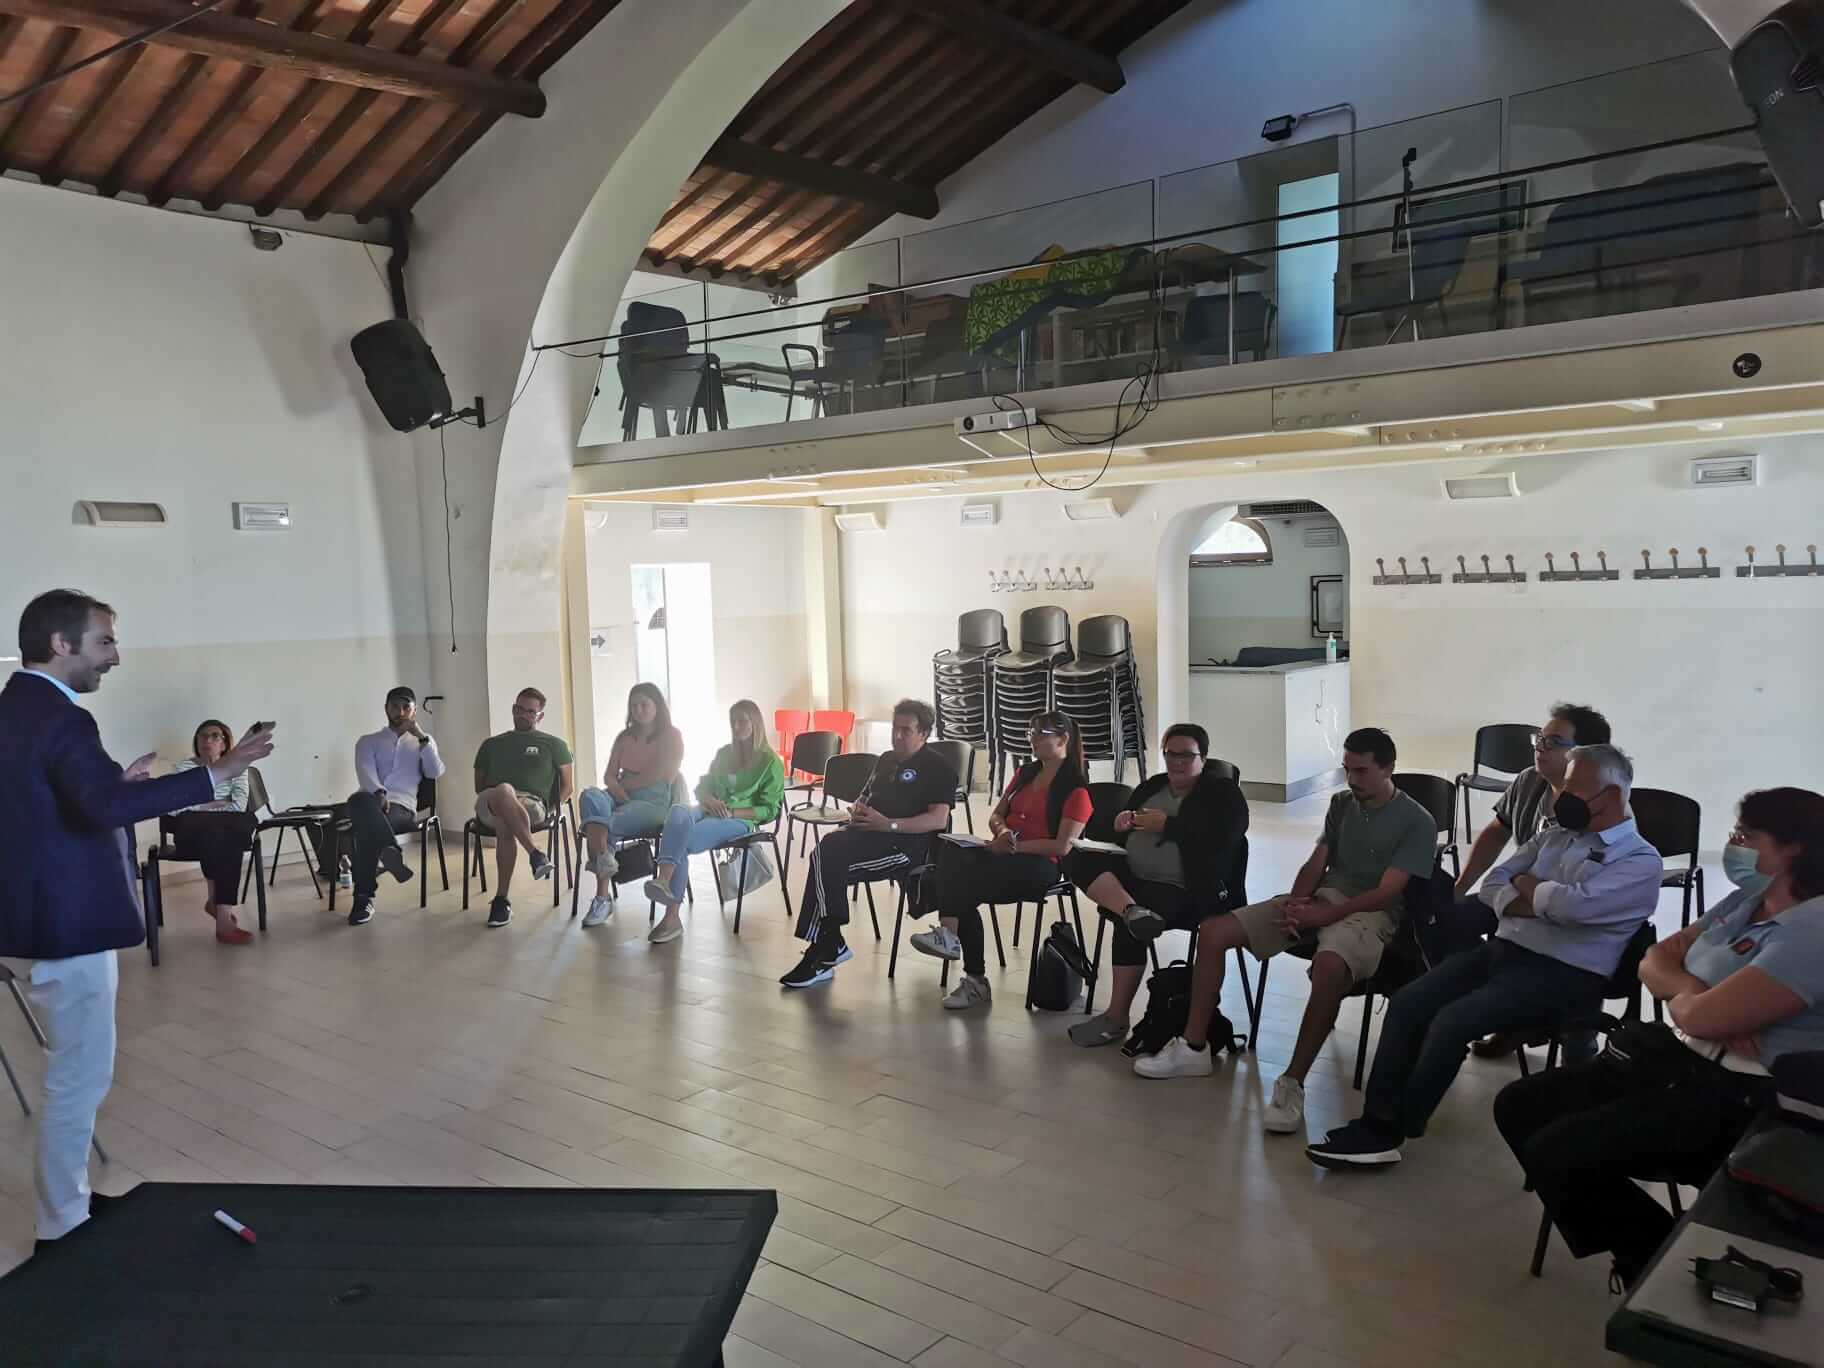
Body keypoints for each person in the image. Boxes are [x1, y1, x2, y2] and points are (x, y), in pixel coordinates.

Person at [0, 589, 273, 1247]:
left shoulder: (16, 707)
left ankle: (68, 1200)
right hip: (66, 922)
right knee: (78, 1078)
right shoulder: (61, 718)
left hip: (38, 913)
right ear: (61, 645)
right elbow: (96, 808)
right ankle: (61, 1223)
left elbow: (58, 802)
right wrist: (218, 773)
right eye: (104, 642)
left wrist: (115, 788)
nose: (115, 657)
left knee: (74, 1071)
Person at [1495, 787, 1824, 1289]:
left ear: (1795, 847)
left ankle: (1649, 1268)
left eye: (1745, 835)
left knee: (1558, 1150)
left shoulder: (1812, 932)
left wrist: (1698, 1000)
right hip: (1676, 1060)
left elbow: (1697, 1015)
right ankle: (1652, 1250)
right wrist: (1696, 990)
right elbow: (1654, 963)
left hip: (1741, 1100)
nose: (1732, 844)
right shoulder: (1747, 900)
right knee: (1518, 1106)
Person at [1308, 744, 1662, 1170]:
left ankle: (1392, 1130)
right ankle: (1376, 1120)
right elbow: (1495, 886)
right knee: (1408, 1004)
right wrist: (1543, 897)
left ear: (1611, 795)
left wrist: (1532, 889)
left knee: (1452, 1021)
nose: (1562, 795)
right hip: (1505, 951)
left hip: (1566, 975)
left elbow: (1576, 910)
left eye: (1574, 787)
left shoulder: (1641, 860)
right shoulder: (1554, 836)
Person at [1194, 728, 1437, 1133]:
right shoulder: (1342, 803)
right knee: (1214, 932)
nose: (1353, 780)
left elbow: (1385, 893)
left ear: (1388, 768)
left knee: (1329, 967)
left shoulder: (1417, 821)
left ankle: (1292, 1082)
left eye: (1361, 771)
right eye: (1347, 770)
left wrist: (1320, 919)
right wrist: (1296, 904)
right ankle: (1193, 1045)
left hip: (1372, 913)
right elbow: (1317, 860)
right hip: (1323, 899)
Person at [1064, 723, 1249, 1060]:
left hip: (1190, 889)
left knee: (1134, 918)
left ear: (1203, 758)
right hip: (1135, 877)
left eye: (1186, 755)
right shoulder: (1153, 786)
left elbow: (1224, 837)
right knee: (1076, 856)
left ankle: (1116, 1016)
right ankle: (1130, 909)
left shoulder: (1223, 794)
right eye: (1170, 754)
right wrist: (1119, 822)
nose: (1177, 762)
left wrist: (1169, 825)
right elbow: (1119, 831)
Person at [1453, 703, 1611, 1059]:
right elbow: (1496, 833)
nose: (1541, 746)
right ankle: (1502, 1013)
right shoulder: (1529, 782)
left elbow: (1586, 895)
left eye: (1554, 742)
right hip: (1520, 897)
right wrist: (1461, 886)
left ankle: (1576, 1039)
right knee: (1451, 916)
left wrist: (1528, 891)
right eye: (1540, 738)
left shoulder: (1601, 800)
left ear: (1584, 755)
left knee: (1572, 958)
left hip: (1569, 910)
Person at [909, 711, 1093, 1011]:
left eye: (1040, 734)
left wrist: (1016, 846)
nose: (1032, 739)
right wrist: (1004, 832)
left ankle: (970, 971)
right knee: (952, 851)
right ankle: (953, 942)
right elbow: (997, 815)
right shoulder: (1025, 775)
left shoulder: (1077, 790)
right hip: (1006, 850)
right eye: (1030, 733)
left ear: (1062, 740)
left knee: (963, 885)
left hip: (1041, 865)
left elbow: (1062, 846)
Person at [781, 699, 955, 990]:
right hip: (868, 835)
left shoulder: (938, 768)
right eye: (894, 729)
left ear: (924, 733)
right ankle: (828, 943)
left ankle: (826, 946)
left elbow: (938, 819)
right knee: (827, 852)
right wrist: (859, 810)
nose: (897, 736)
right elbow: (865, 798)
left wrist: (889, 824)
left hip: (905, 847)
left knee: (825, 857)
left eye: (906, 731)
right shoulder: (886, 759)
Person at [640, 699, 784, 945]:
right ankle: (664, 882)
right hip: (708, 808)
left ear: (755, 724)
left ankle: (671, 915)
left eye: (742, 721)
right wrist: (708, 799)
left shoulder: (770, 762)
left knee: (683, 839)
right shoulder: (724, 753)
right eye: (733, 722)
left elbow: (769, 810)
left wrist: (733, 812)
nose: (736, 726)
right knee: (677, 813)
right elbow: (702, 787)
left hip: (738, 819)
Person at [579, 683, 684, 928]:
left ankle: (602, 898)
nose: (638, 710)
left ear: (657, 706)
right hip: (620, 794)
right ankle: (605, 857)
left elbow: (663, 774)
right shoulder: (625, 737)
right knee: (590, 797)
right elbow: (609, 775)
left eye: (644, 704)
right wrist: (616, 790)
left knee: (604, 824)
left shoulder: (672, 735)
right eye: (633, 706)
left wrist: (625, 788)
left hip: (654, 800)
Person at [344, 686, 447, 927]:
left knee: (365, 829)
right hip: (370, 801)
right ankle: (390, 851)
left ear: (414, 710)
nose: (400, 712)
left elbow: (435, 772)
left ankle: (363, 898)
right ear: (386, 708)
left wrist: (421, 736)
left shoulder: (423, 742)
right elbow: (365, 772)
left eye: (405, 707)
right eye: (394, 706)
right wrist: (379, 792)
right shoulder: (368, 741)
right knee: (358, 801)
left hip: (402, 808)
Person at [472, 687, 573, 929]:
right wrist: (503, 794)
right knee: (504, 790)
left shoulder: (554, 745)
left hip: (532, 805)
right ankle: (535, 854)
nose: (523, 714)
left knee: (506, 821)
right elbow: (478, 786)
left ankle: (501, 900)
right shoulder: (491, 744)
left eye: (530, 711)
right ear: (513, 709)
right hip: (490, 802)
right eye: (519, 709)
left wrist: (552, 809)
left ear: (540, 716)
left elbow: (567, 787)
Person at [165, 718, 261, 945]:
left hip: (221, 830)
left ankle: (220, 913)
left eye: (215, 736)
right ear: (196, 742)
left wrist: (201, 805)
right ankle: (222, 916)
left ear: (225, 743)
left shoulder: (238, 769)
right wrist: (215, 805)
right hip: (190, 831)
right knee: (225, 828)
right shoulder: (184, 768)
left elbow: (239, 805)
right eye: (203, 736)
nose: (208, 740)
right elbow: (177, 807)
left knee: (235, 825)